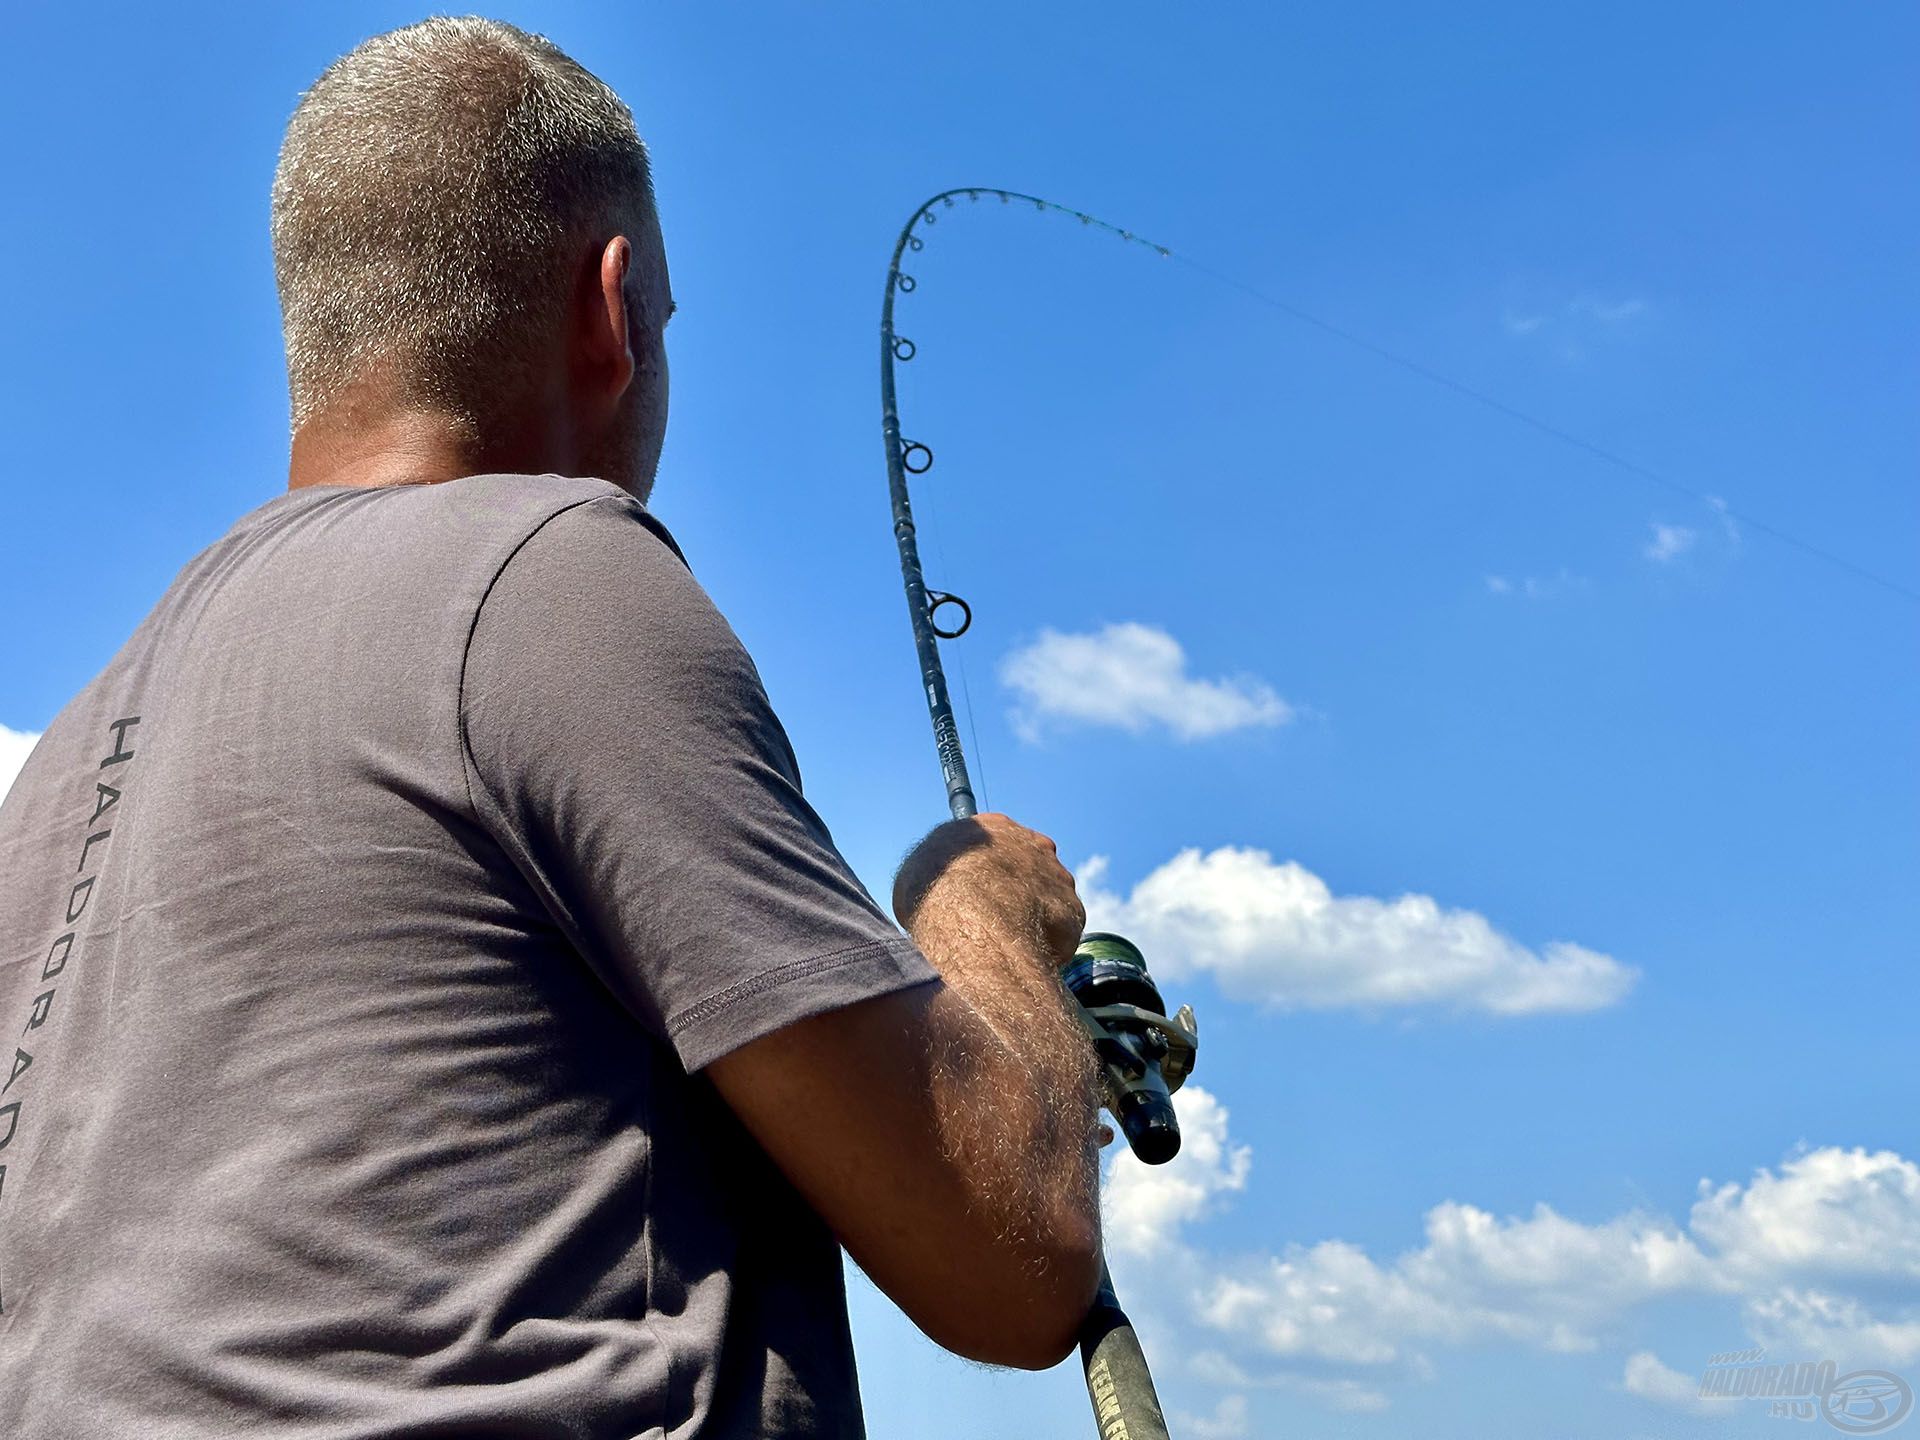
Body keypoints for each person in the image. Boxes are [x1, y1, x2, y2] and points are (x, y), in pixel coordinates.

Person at [0, 17, 1104, 1438]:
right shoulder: (551, 571)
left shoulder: (79, 749)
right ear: (614, 307)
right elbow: (1010, 1262)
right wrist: (979, 917)